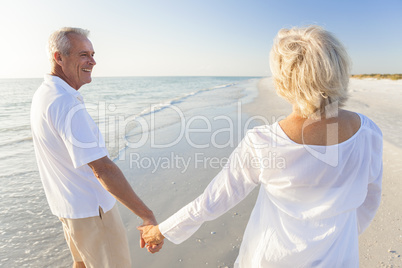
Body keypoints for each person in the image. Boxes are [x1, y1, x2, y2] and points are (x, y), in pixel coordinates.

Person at [138, 25, 383, 267]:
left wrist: (161, 230)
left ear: (285, 80)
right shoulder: (368, 132)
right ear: (338, 69)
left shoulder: (264, 142)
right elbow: (370, 197)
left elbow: (213, 200)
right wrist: (345, 236)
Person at [31, 27, 162, 268]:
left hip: (70, 211)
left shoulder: (45, 94)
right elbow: (102, 169)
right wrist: (147, 215)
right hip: (93, 214)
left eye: (92, 54)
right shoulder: (65, 103)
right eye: (83, 54)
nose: (93, 61)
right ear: (59, 57)